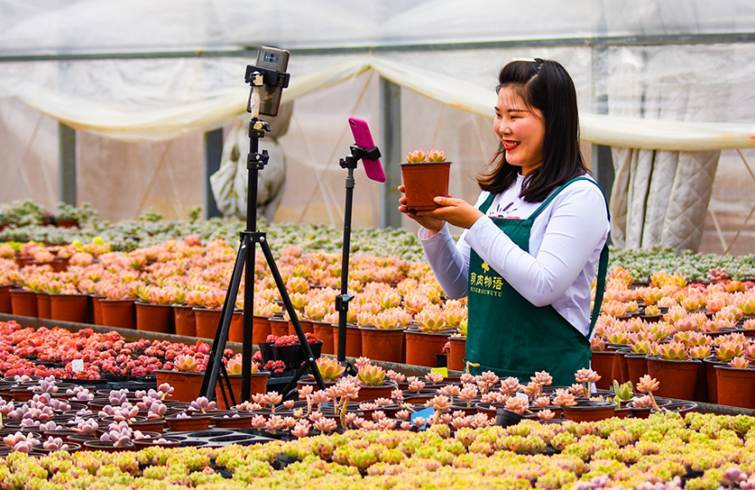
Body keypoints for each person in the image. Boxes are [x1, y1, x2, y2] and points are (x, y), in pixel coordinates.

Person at [399, 58, 610, 386]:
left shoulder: (579, 196)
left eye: (515, 116)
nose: (502, 128)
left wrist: (477, 224)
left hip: (551, 387)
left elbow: (543, 287)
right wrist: (436, 229)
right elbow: (458, 284)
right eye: (499, 115)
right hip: (485, 379)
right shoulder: (497, 191)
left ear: (554, 120)